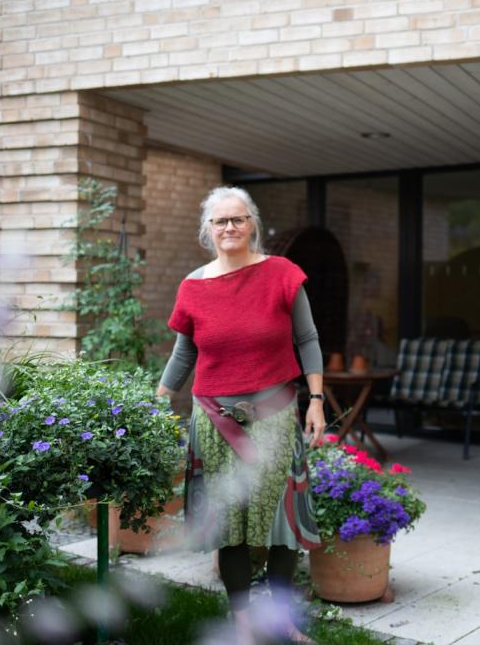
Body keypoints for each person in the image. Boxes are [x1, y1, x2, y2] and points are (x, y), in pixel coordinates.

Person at [157, 186, 326, 645]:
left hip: (275, 413)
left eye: (237, 219)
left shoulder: (282, 274)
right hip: (214, 419)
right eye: (219, 221)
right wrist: (158, 399)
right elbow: (184, 352)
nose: (228, 228)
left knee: (280, 526)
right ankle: (242, 620)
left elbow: (307, 339)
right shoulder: (193, 285)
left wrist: (315, 400)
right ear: (207, 230)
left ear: (252, 223)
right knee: (229, 524)